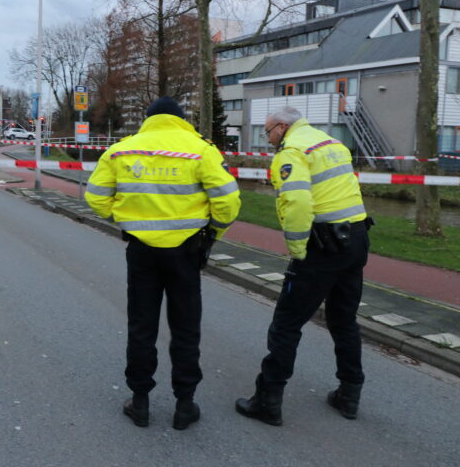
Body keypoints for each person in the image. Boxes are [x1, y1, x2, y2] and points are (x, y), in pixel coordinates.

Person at [86, 96, 241, 430]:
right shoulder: (201, 149)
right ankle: (185, 404)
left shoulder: (121, 150)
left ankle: (140, 402)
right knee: (186, 328)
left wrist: (124, 218)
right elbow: (228, 201)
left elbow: (95, 197)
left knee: (142, 326)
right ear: (181, 119)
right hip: (186, 250)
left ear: (148, 119)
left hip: (141, 251)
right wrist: (212, 231)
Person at [235, 106, 372, 426]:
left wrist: (298, 250)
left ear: (282, 127)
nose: (267, 139)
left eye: (267, 132)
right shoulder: (331, 144)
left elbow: (297, 202)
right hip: (356, 239)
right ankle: (349, 394)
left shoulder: (292, 152)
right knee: (344, 321)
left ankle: (268, 400)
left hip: (321, 247)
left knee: (286, 323)